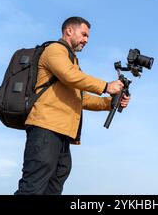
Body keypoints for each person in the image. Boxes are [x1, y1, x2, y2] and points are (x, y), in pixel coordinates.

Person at [14, 16, 129, 195]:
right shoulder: (55, 50)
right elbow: (70, 76)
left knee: (53, 189)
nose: (86, 40)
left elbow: (81, 98)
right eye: (84, 34)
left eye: (88, 37)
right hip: (45, 129)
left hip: (63, 134)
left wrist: (111, 102)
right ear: (69, 31)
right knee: (32, 188)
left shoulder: (72, 60)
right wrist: (106, 86)